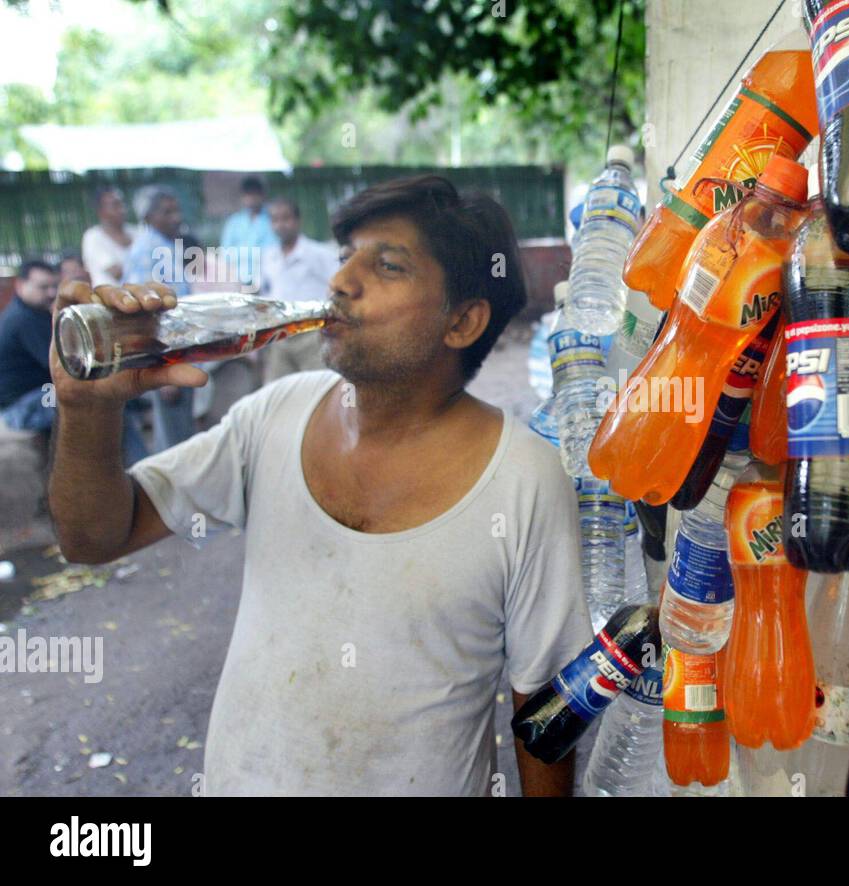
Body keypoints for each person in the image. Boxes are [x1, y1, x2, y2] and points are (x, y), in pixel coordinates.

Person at [47, 174, 591, 796]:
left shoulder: (524, 479)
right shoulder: (275, 413)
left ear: (463, 321)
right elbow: (92, 538)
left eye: (386, 266)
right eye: (343, 258)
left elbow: (547, 706)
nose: (340, 283)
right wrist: (86, 411)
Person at [123, 184, 196, 452]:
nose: (176, 217)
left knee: (181, 434)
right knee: (174, 442)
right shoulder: (148, 250)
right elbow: (146, 314)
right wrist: (162, 370)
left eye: (176, 210)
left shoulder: (165, 246)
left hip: (180, 351)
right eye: (167, 212)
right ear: (148, 218)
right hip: (167, 358)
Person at [260, 197, 337, 380]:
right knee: (277, 391)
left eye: (286, 218)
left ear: (297, 220)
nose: (281, 225)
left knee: (318, 388)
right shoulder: (269, 256)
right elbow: (266, 292)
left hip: (311, 335)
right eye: (275, 220)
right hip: (279, 335)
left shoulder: (318, 254)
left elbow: (336, 287)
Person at [0, 259, 59, 435]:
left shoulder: (34, 312)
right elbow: (58, 366)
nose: (51, 293)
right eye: (43, 287)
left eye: (54, 286)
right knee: (97, 403)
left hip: (40, 395)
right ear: (20, 285)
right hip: (22, 407)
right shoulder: (23, 319)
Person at [81, 186, 133, 287]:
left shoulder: (137, 232)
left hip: (145, 297)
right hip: (110, 299)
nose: (122, 210)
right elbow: (117, 273)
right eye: (115, 206)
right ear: (100, 211)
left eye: (122, 204)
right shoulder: (93, 237)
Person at [220, 176, 277, 254]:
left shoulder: (272, 218)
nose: (251, 198)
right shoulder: (234, 221)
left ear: (262, 195)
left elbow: (272, 249)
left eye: (255, 194)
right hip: (236, 265)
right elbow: (225, 250)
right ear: (242, 196)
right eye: (248, 194)